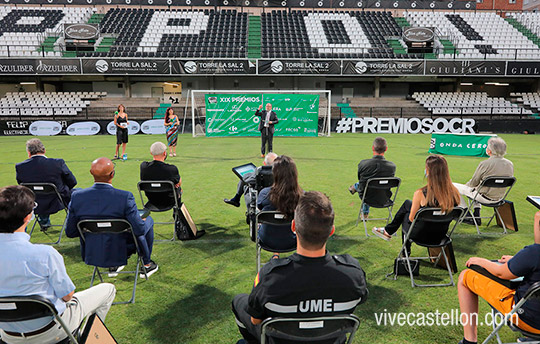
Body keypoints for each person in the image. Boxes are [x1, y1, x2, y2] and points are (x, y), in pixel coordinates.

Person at [232, 191, 369, 344]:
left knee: (238, 301)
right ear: (331, 231)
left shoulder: (271, 276)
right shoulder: (353, 274)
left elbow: (255, 320)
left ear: (293, 226)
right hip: (331, 339)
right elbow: (360, 298)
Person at [0, 185, 116, 344]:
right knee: (108, 290)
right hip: (52, 331)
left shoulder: (42, 254)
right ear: (28, 217)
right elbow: (67, 296)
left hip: (8, 335)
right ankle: (86, 338)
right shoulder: (44, 254)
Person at [456, 211, 540, 344]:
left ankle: (469, 341)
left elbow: (501, 273)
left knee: (465, 277)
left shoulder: (535, 253)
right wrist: (517, 261)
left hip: (527, 320)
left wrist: (481, 261)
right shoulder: (534, 255)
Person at [65, 157, 158, 277]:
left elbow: (71, 232)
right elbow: (139, 230)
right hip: (121, 248)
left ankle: (117, 264)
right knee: (147, 221)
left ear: (91, 173)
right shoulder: (124, 197)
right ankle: (146, 264)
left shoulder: (77, 197)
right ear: (112, 174)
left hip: (93, 250)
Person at [372, 155, 461, 256]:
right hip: (440, 236)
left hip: (420, 235)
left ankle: (405, 251)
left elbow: (411, 218)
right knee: (407, 204)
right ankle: (388, 231)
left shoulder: (420, 193)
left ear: (428, 172)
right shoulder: (455, 193)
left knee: (406, 215)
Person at [15, 138, 77, 231]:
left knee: (40, 193)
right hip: (58, 199)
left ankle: (44, 222)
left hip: (34, 201)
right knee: (77, 192)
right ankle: (74, 223)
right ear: (44, 150)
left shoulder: (20, 166)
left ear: (29, 153)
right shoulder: (57, 163)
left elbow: (22, 184)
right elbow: (72, 181)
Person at [453, 137, 514, 225]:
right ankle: (476, 213)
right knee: (478, 188)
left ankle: (467, 215)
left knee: (452, 187)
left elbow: (473, 183)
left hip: (484, 197)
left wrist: (465, 186)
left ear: (489, 151)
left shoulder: (485, 164)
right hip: (499, 199)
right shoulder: (510, 164)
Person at [257, 155, 303, 258]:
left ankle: (276, 254)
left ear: (274, 174)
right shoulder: (302, 196)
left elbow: (259, 208)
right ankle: (276, 254)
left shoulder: (265, 194)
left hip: (267, 240)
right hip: (292, 241)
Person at [348, 136, 396, 220]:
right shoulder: (392, 166)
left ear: (373, 148)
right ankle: (355, 187)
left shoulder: (363, 164)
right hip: (384, 197)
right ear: (386, 149)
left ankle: (355, 188)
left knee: (365, 185)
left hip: (368, 196)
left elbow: (360, 179)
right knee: (368, 185)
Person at [140, 141, 182, 208]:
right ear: (165, 153)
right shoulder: (171, 169)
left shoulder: (144, 166)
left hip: (152, 200)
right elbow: (178, 183)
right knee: (179, 188)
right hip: (170, 201)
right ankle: (177, 215)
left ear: (151, 153)